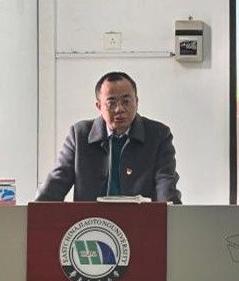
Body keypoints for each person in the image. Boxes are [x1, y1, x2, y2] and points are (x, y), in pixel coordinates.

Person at [36, 71, 182, 203]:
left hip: (140, 220)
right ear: (99, 106)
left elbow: (166, 185)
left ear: (137, 102)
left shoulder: (158, 134)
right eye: (111, 103)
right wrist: (34, 212)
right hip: (92, 221)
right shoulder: (80, 135)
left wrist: (173, 215)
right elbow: (56, 184)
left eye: (126, 101)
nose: (119, 109)